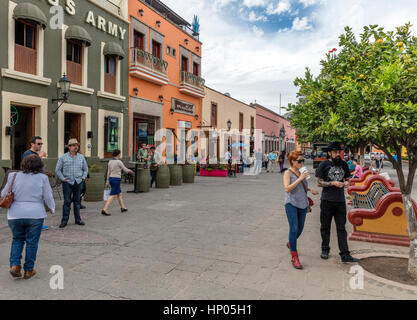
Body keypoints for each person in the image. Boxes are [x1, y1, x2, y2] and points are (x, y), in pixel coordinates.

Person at [3, 154, 55, 279]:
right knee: (32, 242)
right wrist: (52, 208)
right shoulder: (43, 178)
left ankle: (15, 265)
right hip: (35, 214)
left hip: (15, 214)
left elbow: (4, 193)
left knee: (17, 239)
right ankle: (28, 270)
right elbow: (48, 195)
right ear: (40, 166)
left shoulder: (12, 175)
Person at [315, 142, 359, 263]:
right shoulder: (323, 165)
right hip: (327, 200)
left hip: (340, 201)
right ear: (329, 153)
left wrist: (346, 184)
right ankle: (325, 249)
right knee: (325, 227)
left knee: (341, 228)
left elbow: (347, 179)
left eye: (338, 152)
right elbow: (318, 182)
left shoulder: (344, 164)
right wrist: (332, 183)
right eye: (335, 152)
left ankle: (345, 254)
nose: (337, 154)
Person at [283, 151, 319, 269]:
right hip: (291, 203)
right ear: (292, 161)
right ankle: (295, 256)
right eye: (299, 161)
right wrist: (300, 179)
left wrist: (310, 189)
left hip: (303, 203)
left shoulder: (301, 172)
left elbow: (302, 185)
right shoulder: (287, 173)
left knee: (300, 228)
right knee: (294, 228)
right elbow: (287, 188)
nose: (301, 162)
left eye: (302, 160)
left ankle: (290, 242)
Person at [55, 139, 88, 228]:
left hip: (78, 182)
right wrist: (63, 179)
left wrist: (83, 177)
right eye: (73, 145)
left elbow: (85, 169)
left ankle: (78, 219)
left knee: (77, 201)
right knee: (67, 202)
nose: (75, 147)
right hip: (67, 183)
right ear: (69, 147)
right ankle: (64, 221)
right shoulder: (63, 157)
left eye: (76, 145)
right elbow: (57, 170)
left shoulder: (81, 157)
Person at [22, 136, 50, 231]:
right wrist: (40, 156)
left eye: (41, 143)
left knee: (39, 204)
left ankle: (38, 224)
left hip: (38, 182)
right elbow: (28, 166)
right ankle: (34, 225)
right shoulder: (27, 153)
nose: (41, 145)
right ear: (32, 144)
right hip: (31, 183)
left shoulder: (35, 154)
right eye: (39, 143)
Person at [102, 150, 133, 216]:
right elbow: (125, 169)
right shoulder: (119, 162)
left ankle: (122, 207)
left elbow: (108, 172)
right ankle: (105, 209)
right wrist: (130, 171)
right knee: (112, 195)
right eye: (120, 153)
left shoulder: (110, 161)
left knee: (119, 194)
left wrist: (107, 181)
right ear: (118, 154)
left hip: (111, 178)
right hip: (116, 179)